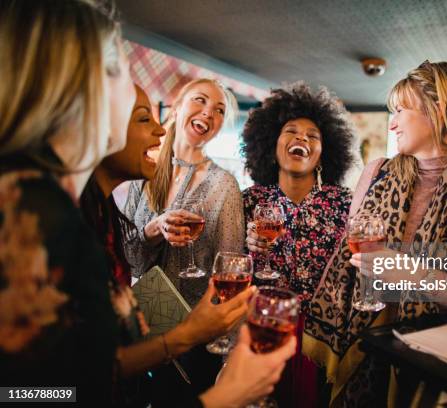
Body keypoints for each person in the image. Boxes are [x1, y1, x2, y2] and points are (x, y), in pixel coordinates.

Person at [0, 1, 294, 406]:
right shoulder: (35, 213)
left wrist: (194, 336)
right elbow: (40, 394)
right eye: (121, 72)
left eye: (220, 109)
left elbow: (76, 378)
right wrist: (227, 398)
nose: (154, 127)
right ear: (83, 85)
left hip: (185, 330)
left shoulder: (62, 201)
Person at [304, 61, 447, 406]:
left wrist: (410, 273)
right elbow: (349, 254)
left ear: (438, 109)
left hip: (426, 355)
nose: (392, 123)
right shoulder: (377, 171)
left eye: (401, 110)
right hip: (354, 340)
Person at [242, 82, 356, 407]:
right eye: (290, 131)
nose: (302, 138)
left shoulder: (345, 203)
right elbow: (228, 269)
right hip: (264, 331)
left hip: (322, 338)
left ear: (325, 152)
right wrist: (248, 249)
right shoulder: (250, 200)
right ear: (271, 145)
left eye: (313, 135)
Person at [125, 78, 244, 306]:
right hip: (137, 314)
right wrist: (153, 229)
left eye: (219, 110)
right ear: (178, 106)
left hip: (192, 324)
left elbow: (229, 273)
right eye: (200, 100)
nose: (209, 113)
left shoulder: (224, 185)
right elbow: (127, 260)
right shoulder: (143, 172)